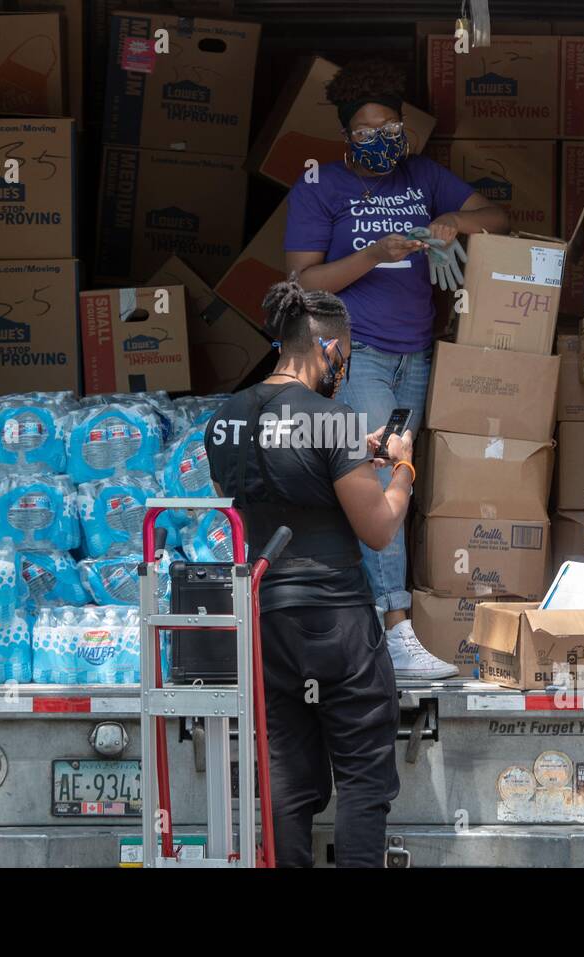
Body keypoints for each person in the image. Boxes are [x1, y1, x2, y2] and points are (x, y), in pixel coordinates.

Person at [284, 58, 510, 679]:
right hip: (357, 355)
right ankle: (394, 626)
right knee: (381, 483)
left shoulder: (423, 175)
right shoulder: (319, 187)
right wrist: (374, 254)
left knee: (405, 481)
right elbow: (301, 282)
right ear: (345, 136)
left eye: (392, 126)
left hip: (420, 352)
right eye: (368, 128)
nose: (383, 138)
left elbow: (498, 218)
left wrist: (451, 223)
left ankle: (393, 620)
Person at [205, 278, 414, 868]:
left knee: (287, 779)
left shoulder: (224, 419)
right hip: (336, 621)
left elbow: (261, 491)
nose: (343, 365)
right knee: (363, 779)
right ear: (328, 348)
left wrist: (349, 452)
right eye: (344, 352)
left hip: (265, 618)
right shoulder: (334, 418)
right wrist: (402, 471)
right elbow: (377, 527)